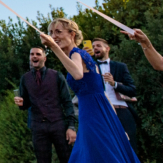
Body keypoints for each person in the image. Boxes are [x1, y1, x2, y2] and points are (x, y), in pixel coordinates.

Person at [40, 18, 140, 162]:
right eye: (50, 33)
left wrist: (53, 47)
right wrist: (116, 126)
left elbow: (78, 74)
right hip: (98, 112)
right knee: (97, 151)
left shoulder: (77, 53)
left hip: (92, 114)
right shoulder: (80, 56)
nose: (53, 36)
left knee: (95, 152)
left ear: (72, 34)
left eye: (58, 32)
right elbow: (103, 93)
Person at [14, 46, 76, 163]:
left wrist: (71, 126)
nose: (34, 56)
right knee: (42, 160)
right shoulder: (25, 79)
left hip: (58, 124)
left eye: (38, 54)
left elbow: (67, 102)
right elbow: (25, 104)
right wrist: (21, 103)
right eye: (32, 54)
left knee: (67, 158)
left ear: (44, 58)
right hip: (38, 126)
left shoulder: (57, 75)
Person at [88, 38, 138, 153]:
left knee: (129, 146)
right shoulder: (89, 68)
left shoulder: (120, 67)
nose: (95, 48)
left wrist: (114, 84)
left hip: (121, 111)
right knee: (105, 148)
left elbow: (132, 90)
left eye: (98, 46)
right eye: (93, 46)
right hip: (100, 111)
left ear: (107, 48)